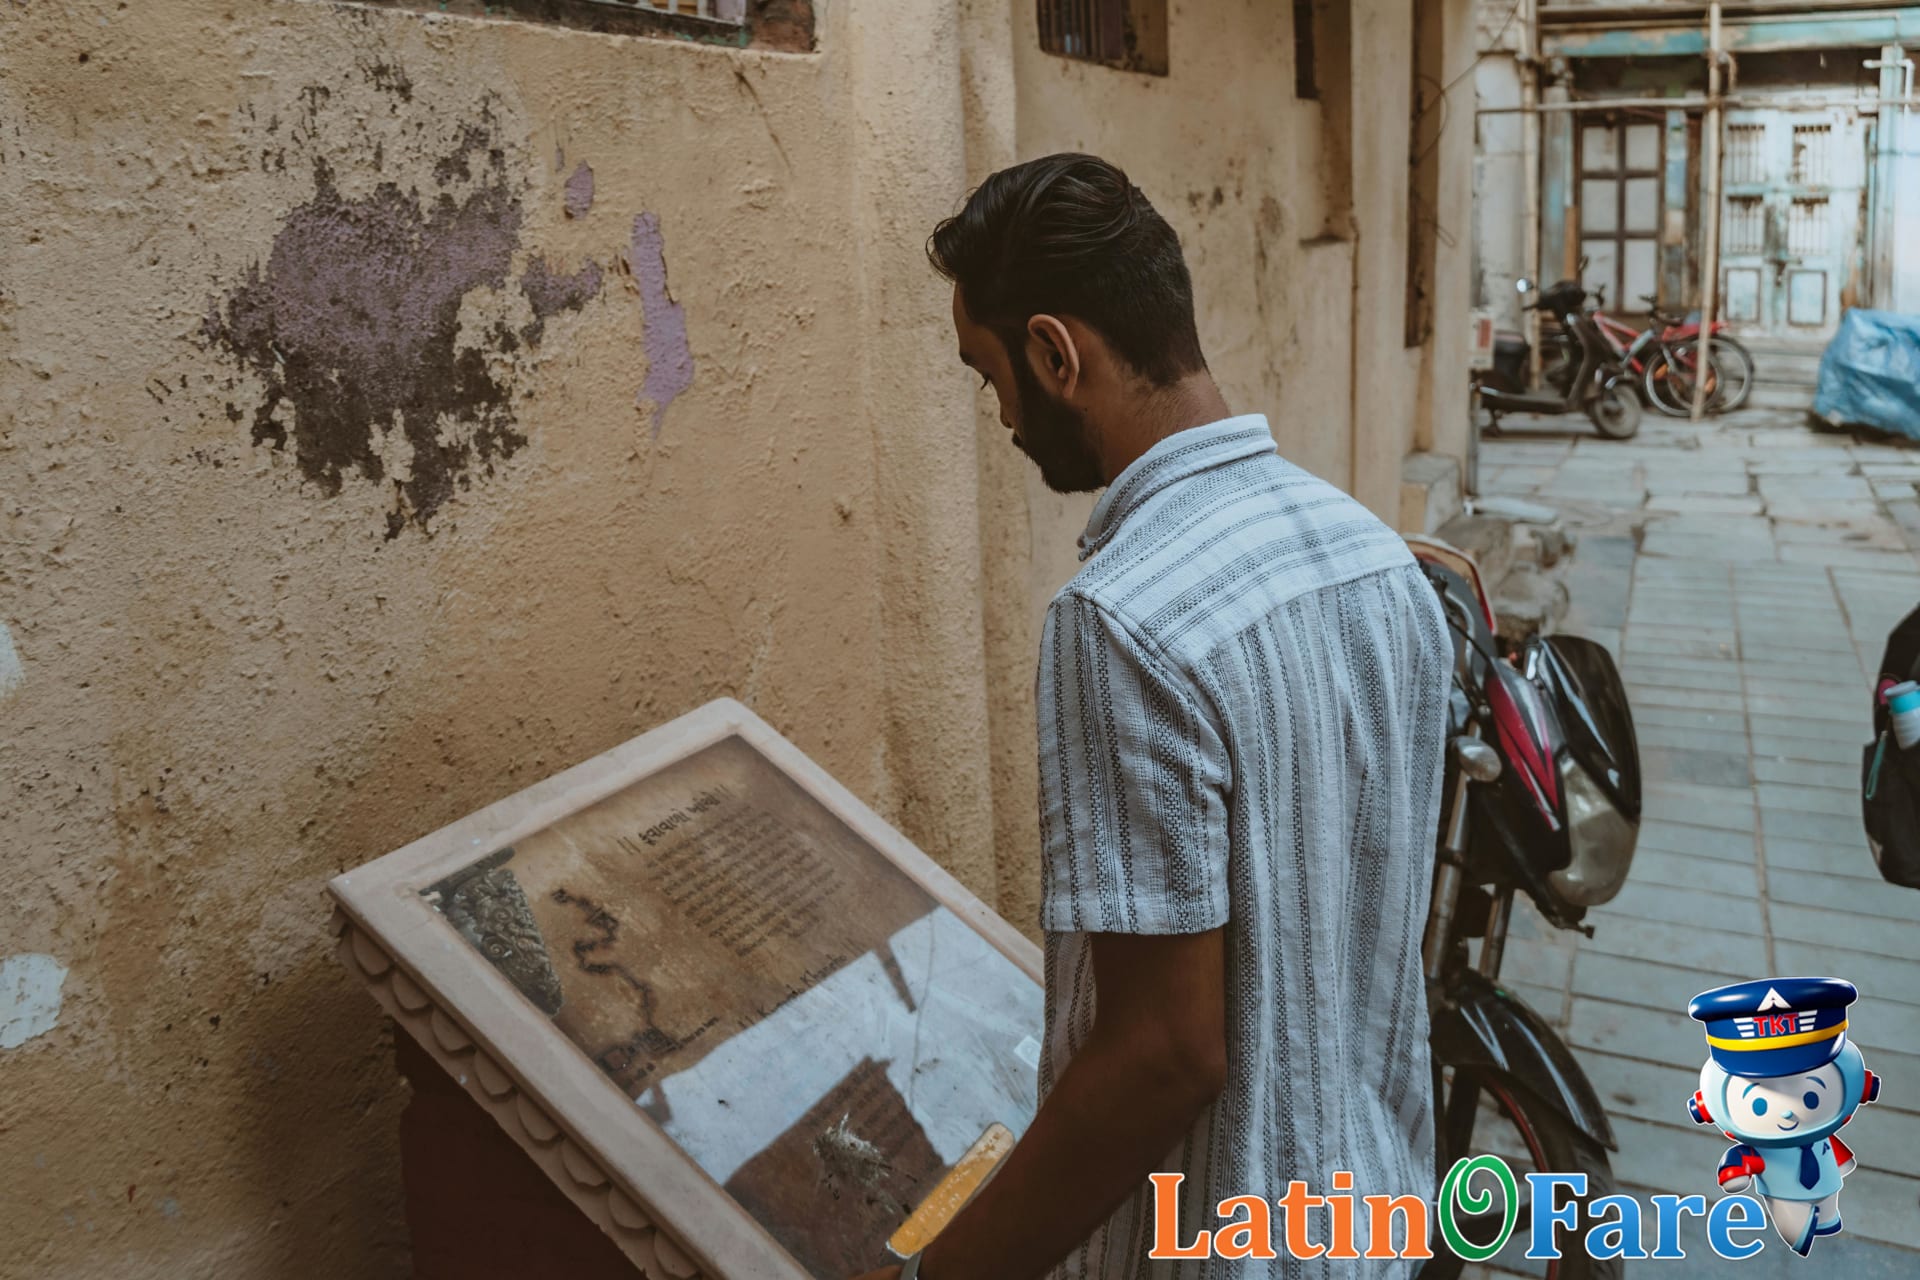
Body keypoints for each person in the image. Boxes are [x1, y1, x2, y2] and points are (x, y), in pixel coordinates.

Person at [854, 153, 1451, 1279]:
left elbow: (1164, 1054)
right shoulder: (1374, 554)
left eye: (990, 375)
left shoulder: (1121, 618)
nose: (1001, 416)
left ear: (1054, 352)